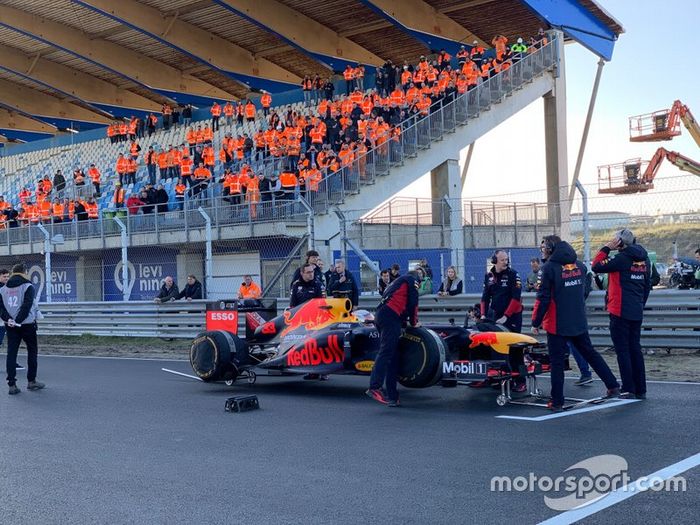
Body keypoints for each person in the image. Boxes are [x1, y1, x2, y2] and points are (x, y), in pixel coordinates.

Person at [532, 236, 621, 411]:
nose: (542, 251)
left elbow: (543, 298)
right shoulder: (579, 266)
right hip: (578, 319)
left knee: (557, 362)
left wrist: (536, 321)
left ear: (551, 248)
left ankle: (557, 401)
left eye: (543, 248)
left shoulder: (548, 269)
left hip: (558, 323)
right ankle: (613, 385)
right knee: (590, 353)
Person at [592, 229, 652, 399]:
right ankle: (640, 389)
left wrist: (606, 248)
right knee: (635, 349)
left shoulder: (621, 258)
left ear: (619, 242)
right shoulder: (645, 259)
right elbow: (647, 286)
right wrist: (640, 304)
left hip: (619, 310)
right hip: (636, 309)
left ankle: (628, 389)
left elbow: (596, 266)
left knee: (623, 350)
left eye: (615, 239)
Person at [367, 270, 421, 407]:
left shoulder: (395, 283)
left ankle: (392, 396)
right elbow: (413, 303)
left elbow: (398, 300)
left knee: (393, 355)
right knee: (386, 352)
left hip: (381, 315)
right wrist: (414, 323)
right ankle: (375, 387)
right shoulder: (411, 280)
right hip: (391, 317)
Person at [0, 263, 45, 395]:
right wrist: (18, 320)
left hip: (10, 325)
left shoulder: (3, 289)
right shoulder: (28, 286)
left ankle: (12, 385)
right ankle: (31, 381)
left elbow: (1, 308)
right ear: (24, 272)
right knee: (32, 351)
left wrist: (9, 320)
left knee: (11, 353)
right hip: (27, 324)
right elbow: (27, 306)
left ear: (13, 273)